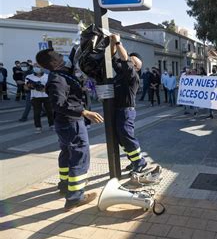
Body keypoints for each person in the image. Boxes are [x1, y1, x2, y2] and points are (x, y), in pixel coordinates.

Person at [36, 48, 103, 210]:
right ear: (53, 62)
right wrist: (84, 112)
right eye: (59, 56)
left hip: (66, 123)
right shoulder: (57, 79)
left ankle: (65, 185)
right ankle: (75, 197)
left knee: (67, 153)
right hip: (71, 122)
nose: (62, 57)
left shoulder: (61, 74)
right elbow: (58, 104)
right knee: (79, 156)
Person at [110, 34, 148, 172]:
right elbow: (114, 59)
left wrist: (118, 42)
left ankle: (140, 162)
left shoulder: (133, 76)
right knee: (121, 138)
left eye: (132, 61)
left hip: (126, 111)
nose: (127, 61)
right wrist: (112, 44)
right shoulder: (121, 73)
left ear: (136, 67)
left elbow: (125, 60)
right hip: (118, 109)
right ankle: (134, 160)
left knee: (126, 136)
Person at [25, 64, 54, 133]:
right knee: (37, 113)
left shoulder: (47, 76)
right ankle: (38, 127)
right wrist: (30, 87)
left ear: (42, 68)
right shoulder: (29, 77)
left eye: (38, 66)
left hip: (47, 96)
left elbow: (52, 86)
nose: (36, 68)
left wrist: (44, 89)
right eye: (35, 67)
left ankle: (52, 125)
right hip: (35, 97)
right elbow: (25, 87)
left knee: (50, 112)